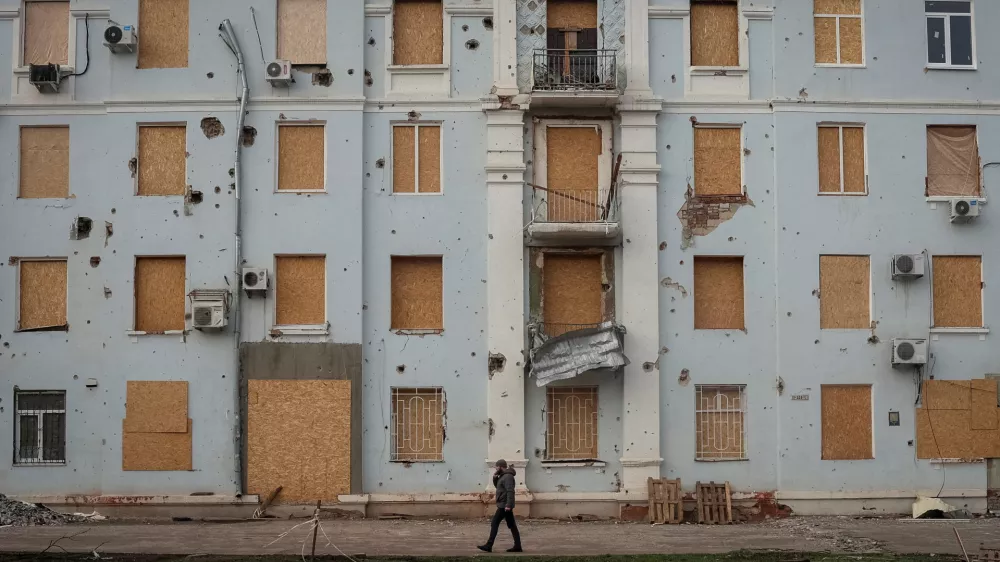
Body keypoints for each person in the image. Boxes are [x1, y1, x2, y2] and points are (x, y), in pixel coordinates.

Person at [477, 459, 522, 553]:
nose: (496, 468)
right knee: (512, 525)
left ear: (501, 467)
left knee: (494, 523)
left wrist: (508, 505)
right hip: (503, 504)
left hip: (504, 505)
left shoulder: (508, 476)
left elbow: (510, 491)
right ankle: (518, 546)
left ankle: (489, 545)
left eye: (497, 467)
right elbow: (498, 486)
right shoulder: (503, 476)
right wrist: (494, 476)